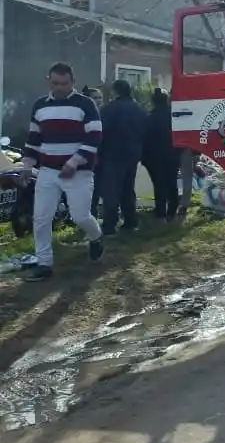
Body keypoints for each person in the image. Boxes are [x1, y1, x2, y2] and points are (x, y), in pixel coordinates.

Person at [18, 63, 105, 282]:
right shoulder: (40, 106)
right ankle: (44, 263)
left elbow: (94, 137)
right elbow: (33, 140)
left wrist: (74, 163)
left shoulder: (85, 104)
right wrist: (27, 166)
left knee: (80, 216)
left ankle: (96, 237)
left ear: (72, 82)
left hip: (79, 172)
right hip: (47, 171)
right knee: (41, 218)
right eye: (55, 83)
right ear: (49, 80)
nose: (60, 88)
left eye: (64, 83)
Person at [99, 79, 147, 235]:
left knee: (111, 189)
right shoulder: (138, 109)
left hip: (112, 153)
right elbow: (144, 132)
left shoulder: (108, 110)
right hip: (132, 153)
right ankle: (130, 221)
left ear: (115, 91)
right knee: (128, 187)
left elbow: (101, 133)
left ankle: (109, 224)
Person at [142, 88, 180, 221]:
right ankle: (172, 212)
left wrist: (144, 158)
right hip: (173, 155)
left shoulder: (149, 118)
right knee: (172, 183)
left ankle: (161, 214)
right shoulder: (175, 117)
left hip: (154, 158)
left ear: (153, 102)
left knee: (159, 185)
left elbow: (144, 140)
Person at [83, 86, 105, 217]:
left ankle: (94, 214)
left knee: (98, 187)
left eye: (100, 98)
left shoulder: (104, 113)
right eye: (95, 98)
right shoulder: (84, 114)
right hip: (86, 156)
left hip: (102, 156)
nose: (98, 101)